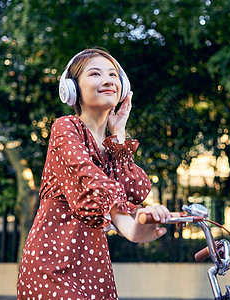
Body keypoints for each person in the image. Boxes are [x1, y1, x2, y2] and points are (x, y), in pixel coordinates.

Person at [17, 48, 170, 300]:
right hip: (51, 265)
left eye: (113, 74)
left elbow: (134, 196)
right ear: (72, 89)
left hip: (93, 269)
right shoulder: (66, 128)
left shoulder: (112, 149)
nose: (109, 79)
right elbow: (92, 180)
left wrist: (119, 135)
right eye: (95, 73)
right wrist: (129, 220)